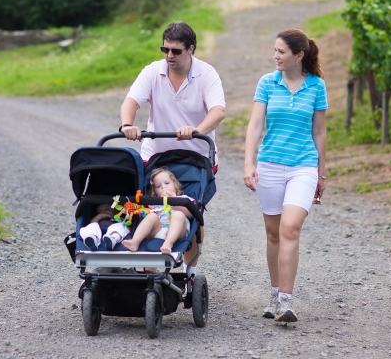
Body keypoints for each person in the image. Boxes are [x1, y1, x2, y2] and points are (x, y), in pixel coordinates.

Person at [119, 21, 225, 273]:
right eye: (165, 49)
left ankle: (190, 270)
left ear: (191, 49)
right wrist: (127, 124)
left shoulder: (206, 74)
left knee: (191, 209)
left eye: (176, 51)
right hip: (156, 155)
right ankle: (148, 265)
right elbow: (132, 100)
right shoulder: (154, 71)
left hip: (196, 155)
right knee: (148, 207)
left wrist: (196, 129)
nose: (169, 56)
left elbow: (218, 111)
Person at [243, 29, 327, 323]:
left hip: (303, 165)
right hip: (269, 165)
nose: (275, 56)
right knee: (274, 232)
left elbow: (319, 131)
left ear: (298, 56)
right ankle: (274, 291)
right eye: (275, 50)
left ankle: (286, 301)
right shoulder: (267, 83)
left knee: (290, 228)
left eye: (281, 52)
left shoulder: (317, 86)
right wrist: (248, 164)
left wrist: (321, 174)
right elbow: (254, 126)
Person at [121, 168, 194, 253]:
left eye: (167, 183)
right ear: (155, 192)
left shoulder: (183, 199)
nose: (163, 187)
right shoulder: (155, 203)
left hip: (178, 232)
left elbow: (191, 214)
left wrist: (173, 201)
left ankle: (168, 243)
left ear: (175, 184)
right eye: (158, 186)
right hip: (158, 230)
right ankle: (135, 241)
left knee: (178, 215)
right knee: (151, 216)